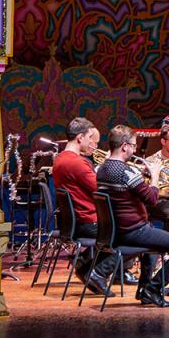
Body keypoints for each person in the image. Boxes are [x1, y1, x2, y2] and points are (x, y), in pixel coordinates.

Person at [96, 125, 169, 307]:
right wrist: (154, 176)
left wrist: (141, 176)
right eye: (133, 145)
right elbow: (152, 199)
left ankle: (144, 291)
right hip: (133, 231)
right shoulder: (126, 171)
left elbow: (128, 190)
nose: (134, 149)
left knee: (154, 247)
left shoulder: (102, 169)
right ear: (124, 146)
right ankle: (153, 289)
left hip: (117, 230)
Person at [51, 117, 115, 295]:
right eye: (89, 138)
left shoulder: (61, 158)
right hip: (88, 221)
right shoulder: (77, 162)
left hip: (77, 221)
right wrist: (110, 165)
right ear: (80, 138)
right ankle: (96, 272)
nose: (91, 143)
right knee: (132, 230)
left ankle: (86, 264)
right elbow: (101, 189)